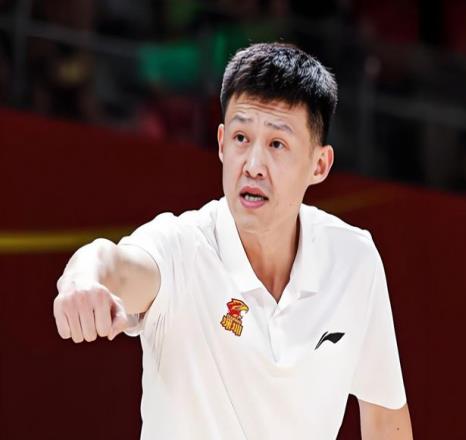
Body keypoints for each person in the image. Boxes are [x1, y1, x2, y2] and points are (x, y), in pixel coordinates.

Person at [53, 42, 413, 439]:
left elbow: (387, 419)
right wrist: (81, 282)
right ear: (222, 142)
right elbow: (112, 264)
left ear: (319, 164)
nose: (253, 165)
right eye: (242, 137)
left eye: (277, 144)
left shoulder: (353, 260)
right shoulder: (179, 246)